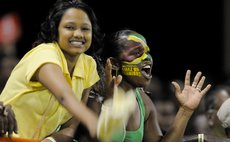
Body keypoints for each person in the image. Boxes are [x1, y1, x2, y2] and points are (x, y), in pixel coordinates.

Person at [75, 29, 212, 142]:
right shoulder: (93, 97)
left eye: (146, 52)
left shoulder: (143, 102)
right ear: (115, 63)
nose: (147, 58)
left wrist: (185, 111)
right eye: (136, 53)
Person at [0, 0, 105, 141]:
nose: (79, 34)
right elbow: (63, 95)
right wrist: (92, 121)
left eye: (85, 29)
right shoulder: (44, 53)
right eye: (70, 27)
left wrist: (52, 140)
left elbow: (71, 126)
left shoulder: (88, 65)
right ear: (56, 30)